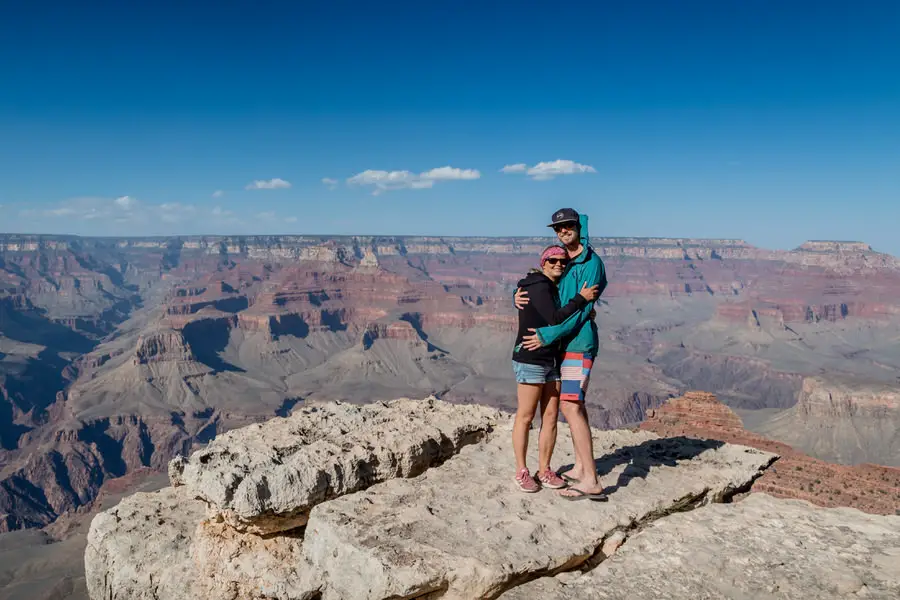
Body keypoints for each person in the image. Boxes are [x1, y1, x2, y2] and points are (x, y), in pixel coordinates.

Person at [516, 208, 608, 500]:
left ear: (579, 227)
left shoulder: (590, 263)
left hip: (577, 344)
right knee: (575, 405)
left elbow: (581, 309)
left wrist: (548, 335)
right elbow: (542, 285)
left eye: (568, 226)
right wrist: (517, 294)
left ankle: (591, 480)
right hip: (562, 348)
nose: (563, 231)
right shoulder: (566, 260)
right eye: (558, 228)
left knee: (569, 406)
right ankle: (582, 467)